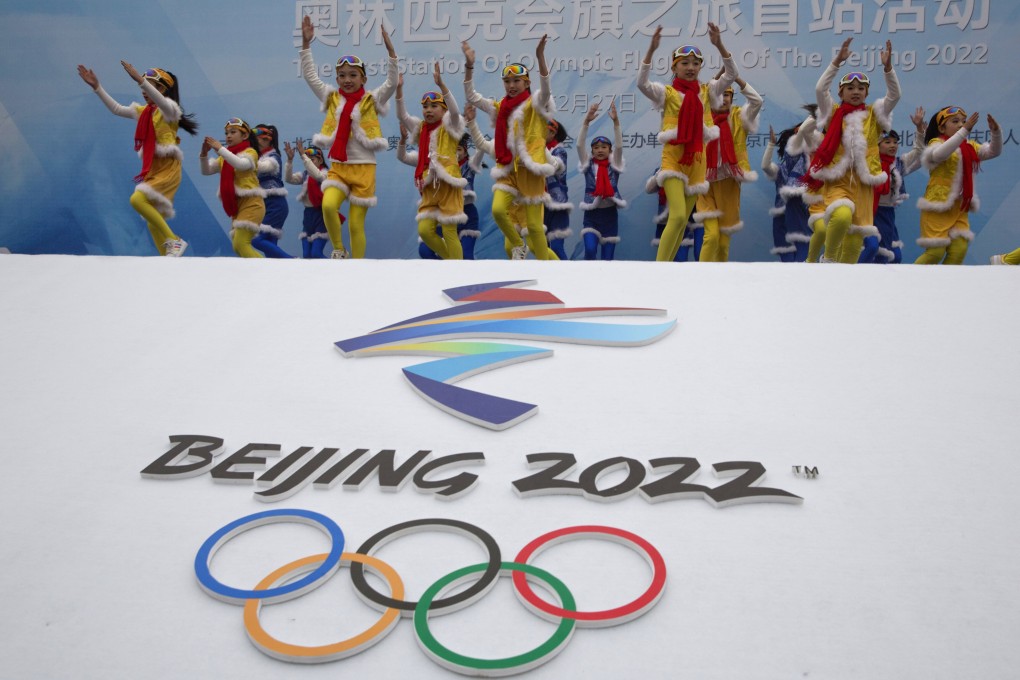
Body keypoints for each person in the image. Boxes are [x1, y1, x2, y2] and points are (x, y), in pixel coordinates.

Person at [299, 16, 398, 259]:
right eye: (342, 75)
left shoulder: (371, 100)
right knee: (328, 205)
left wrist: (391, 50)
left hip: (364, 169)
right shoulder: (332, 97)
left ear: (363, 78)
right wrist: (305, 44)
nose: (347, 80)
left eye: (353, 75)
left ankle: (357, 267)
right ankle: (339, 250)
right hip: (339, 167)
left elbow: (392, 82)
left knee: (355, 225)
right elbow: (311, 76)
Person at [638, 23, 737, 262]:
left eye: (695, 63)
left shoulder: (708, 91)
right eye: (685, 63)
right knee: (679, 215)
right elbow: (642, 84)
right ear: (675, 67)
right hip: (673, 158)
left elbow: (731, 74)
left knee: (684, 223)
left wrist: (719, 45)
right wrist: (650, 51)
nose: (691, 68)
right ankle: (658, 269)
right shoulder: (667, 93)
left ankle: (668, 268)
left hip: (698, 160)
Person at [77, 61, 198, 256]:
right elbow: (116, 109)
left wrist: (141, 80)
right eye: (145, 85)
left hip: (168, 168)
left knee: (137, 200)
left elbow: (163, 103)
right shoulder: (144, 113)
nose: (144, 89)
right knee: (152, 219)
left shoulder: (169, 111)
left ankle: (174, 240)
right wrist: (97, 87)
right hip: (154, 168)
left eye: (152, 85)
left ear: (162, 90)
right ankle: (168, 258)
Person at [462, 35, 559, 260]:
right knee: (497, 210)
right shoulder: (499, 108)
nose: (511, 85)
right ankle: (517, 245)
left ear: (526, 83)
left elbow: (545, 88)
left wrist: (540, 57)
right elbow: (471, 96)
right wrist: (469, 65)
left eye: (517, 81)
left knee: (535, 230)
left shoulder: (535, 105)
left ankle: (556, 273)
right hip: (507, 170)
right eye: (507, 81)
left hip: (531, 171)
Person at [807, 37, 899, 264]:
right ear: (841, 92)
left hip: (864, 183)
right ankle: (827, 258)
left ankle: (842, 286)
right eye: (850, 88)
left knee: (855, 241)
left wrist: (888, 69)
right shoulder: (832, 111)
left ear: (867, 93)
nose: (855, 91)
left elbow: (894, 96)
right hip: (838, 180)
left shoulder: (874, 114)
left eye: (861, 88)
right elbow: (820, 88)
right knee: (841, 215)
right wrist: (837, 62)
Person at [396, 66, 467, 260]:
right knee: (425, 230)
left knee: (449, 230)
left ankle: (458, 270)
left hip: (448, 183)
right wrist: (399, 90)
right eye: (425, 107)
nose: (428, 110)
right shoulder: (421, 129)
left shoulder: (450, 126)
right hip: (429, 185)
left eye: (434, 106)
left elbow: (455, 111)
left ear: (443, 109)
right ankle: (451, 261)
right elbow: (402, 116)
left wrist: (442, 85)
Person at [915, 106, 1001, 264]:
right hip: (938, 206)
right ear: (941, 127)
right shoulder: (937, 143)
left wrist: (995, 132)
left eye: (963, 121)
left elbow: (993, 152)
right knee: (935, 252)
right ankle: (905, 282)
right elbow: (939, 154)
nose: (961, 124)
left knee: (959, 250)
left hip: (960, 207)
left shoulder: (969, 147)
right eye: (955, 121)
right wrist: (965, 130)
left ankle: (944, 287)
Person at [696, 69, 762, 262]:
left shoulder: (740, 117)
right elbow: (700, 96)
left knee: (723, 242)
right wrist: (716, 78)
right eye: (719, 93)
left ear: (732, 97)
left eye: (727, 94)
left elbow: (757, 101)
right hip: (704, 182)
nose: (723, 98)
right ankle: (702, 280)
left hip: (729, 181)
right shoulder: (703, 117)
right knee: (711, 236)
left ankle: (720, 283)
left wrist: (737, 79)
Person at [861, 108, 925, 264]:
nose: (893, 145)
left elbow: (919, 151)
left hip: (888, 214)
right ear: (877, 144)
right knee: (874, 250)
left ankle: (883, 285)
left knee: (896, 256)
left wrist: (919, 130)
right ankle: (854, 277)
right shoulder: (869, 163)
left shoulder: (898, 163)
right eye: (887, 142)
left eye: (896, 142)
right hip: (870, 212)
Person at [200, 118, 265, 258]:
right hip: (238, 206)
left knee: (241, 244)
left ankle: (269, 273)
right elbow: (206, 171)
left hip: (252, 204)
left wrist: (220, 149)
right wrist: (204, 155)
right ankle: (261, 272)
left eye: (233, 132)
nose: (228, 136)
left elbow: (241, 164)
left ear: (245, 136)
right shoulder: (225, 156)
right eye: (226, 133)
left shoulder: (250, 152)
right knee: (238, 246)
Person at [761, 106, 817, 263]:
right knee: (786, 256)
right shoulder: (781, 169)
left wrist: (816, 116)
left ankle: (800, 283)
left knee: (802, 250)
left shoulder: (806, 162)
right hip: (781, 217)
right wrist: (771, 144)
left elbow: (803, 133)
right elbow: (765, 166)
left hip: (799, 211)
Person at [577, 100, 626, 261]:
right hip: (591, 215)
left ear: (609, 150)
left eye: (604, 147)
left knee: (607, 259)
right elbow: (579, 145)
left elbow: (619, 146)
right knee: (590, 250)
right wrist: (586, 122)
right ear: (592, 150)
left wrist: (616, 122)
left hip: (610, 217)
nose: (600, 150)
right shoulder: (587, 164)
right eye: (596, 147)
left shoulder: (615, 163)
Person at [283, 141, 342, 259]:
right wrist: (290, 160)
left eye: (312, 159)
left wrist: (304, 156)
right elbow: (289, 179)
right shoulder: (305, 175)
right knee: (307, 255)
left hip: (321, 215)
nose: (308, 162)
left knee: (316, 253)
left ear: (320, 160)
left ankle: (336, 271)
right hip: (308, 215)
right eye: (307, 159)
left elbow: (318, 176)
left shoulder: (326, 174)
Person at [252, 124, 292, 258]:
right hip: (265, 205)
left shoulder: (274, 157)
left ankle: (292, 261)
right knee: (270, 248)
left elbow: (264, 167)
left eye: (255, 138)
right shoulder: (258, 156)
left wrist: (244, 160)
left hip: (276, 205)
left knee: (256, 240)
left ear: (267, 139)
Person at [544, 119, 573, 260]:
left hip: (558, 206)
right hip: (539, 205)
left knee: (556, 247)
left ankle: (568, 278)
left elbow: (554, 166)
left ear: (553, 132)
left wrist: (539, 147)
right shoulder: (535, 152)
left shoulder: (560, 151)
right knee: (542, 249)